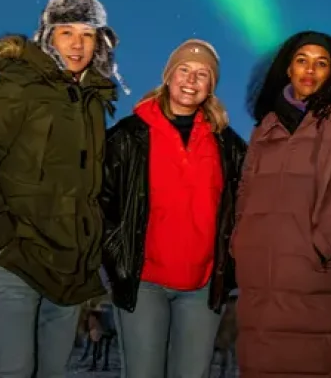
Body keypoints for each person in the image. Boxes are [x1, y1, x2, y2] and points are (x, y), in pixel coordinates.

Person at [0, 0, 125, 378]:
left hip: (69, 269)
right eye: (66, 32)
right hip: (17, 262)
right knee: (10, 370)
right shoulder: (13, 87)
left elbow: (86, 188)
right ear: (48, 36)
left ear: (100, 42)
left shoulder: (92, 100)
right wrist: (4, 235)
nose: (78, 44)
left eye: (88, 34)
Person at [100, 39, 247, 378]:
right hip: (144, 281)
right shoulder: (128, 136)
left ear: (211, 87)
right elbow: (102, 201)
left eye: (202, 74)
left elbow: (244, 206)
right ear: (168, 75)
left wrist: (232, 265)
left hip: (202, 286)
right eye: (184, 70)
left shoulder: (227, 143)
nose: (191, 80)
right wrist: (116, 257)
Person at [232, 31, 331, 378]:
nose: (309, 70)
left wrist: (320, 247)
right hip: (259, 276)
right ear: (287, 68)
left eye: (321, 63)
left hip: (315, 276)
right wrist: (240, 242)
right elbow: (246, 189)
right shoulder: (266, 127)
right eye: (302, 60)